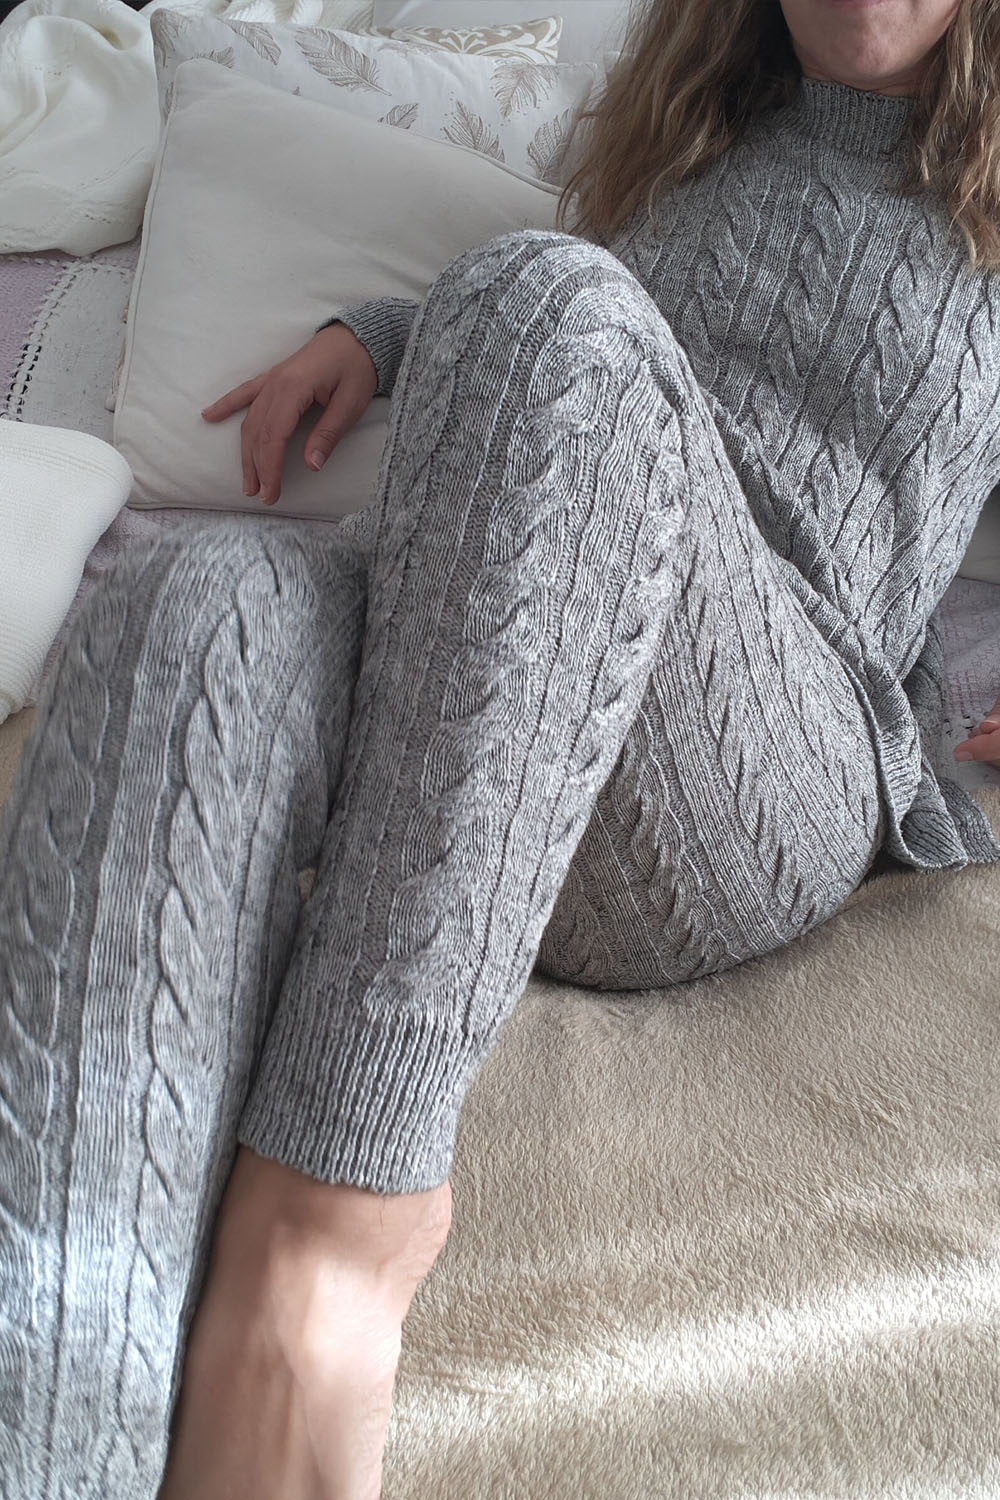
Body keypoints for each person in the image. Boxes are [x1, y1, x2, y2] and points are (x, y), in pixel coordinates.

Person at [3, 0, 1000, 1495]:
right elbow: (571, 358)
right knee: (186, 603)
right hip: (494, 701)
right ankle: (55, 1420)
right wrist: (380, 337)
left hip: (757, 761)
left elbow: (580, 340)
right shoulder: (693, 138)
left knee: (547, 298)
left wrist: (528, 312)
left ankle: (340, 1215)